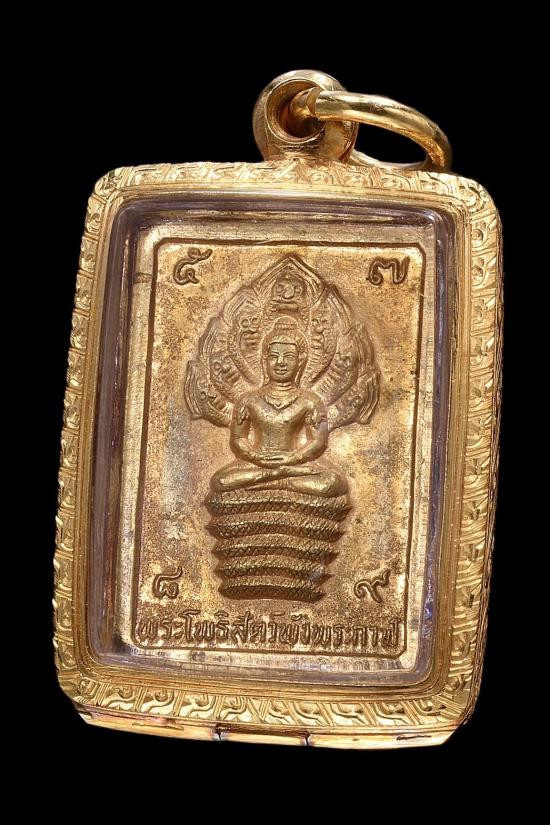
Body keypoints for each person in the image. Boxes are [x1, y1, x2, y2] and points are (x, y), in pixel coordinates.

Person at [210, 316, 347, 498]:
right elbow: (238, 439)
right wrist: (256, 457)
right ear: (265, 360)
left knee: (334, 482)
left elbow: (318, 441)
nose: (280, 362)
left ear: (300, 361)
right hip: (256, 464)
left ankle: (279, 481)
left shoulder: (310, 401)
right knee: (220, 481)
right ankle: (276, 477)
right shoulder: (248, 400)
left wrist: (293, 458)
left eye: (288, 357)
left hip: (295, 464)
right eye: (274, 357)